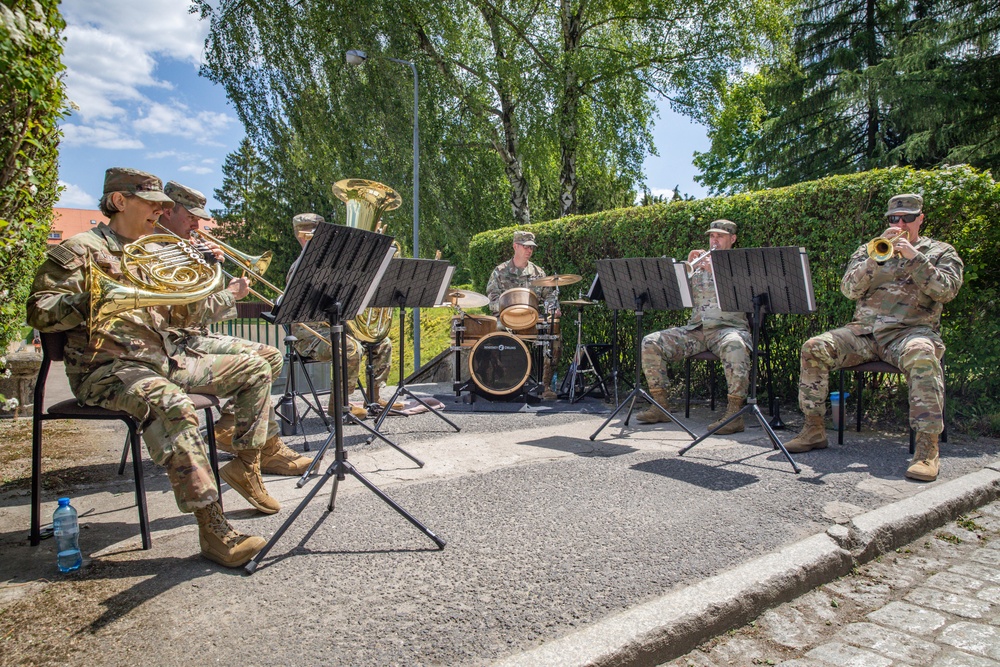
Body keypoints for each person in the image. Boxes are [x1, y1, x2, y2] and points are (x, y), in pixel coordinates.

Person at [26, 167, 281, 568]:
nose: (160, 213)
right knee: (174, 404)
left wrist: (221, 295)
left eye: (163, 206)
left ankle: (246, 465)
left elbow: (180, 317)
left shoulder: (155, 250)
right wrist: (94, 300)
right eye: (153, 204)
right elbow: (39, 312)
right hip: (107, 368)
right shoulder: (80, 249)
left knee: (256, 367)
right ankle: (214, 528)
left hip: (161, 359)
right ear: (119, 201)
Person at [784, 193, 964, 482]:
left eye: (907, 217)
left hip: (909, 333)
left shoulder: (941, 252)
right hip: (864, 333)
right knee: (814, 347)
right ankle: (814, 429)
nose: (901, 223)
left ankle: (927, 450)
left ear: (920, 218)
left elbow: (946, 291)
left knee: (922, 353)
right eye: (894, 218)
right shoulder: (870, 250)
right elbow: (849, 290)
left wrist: (915, 258)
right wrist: (874, 260)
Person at [158, 181, 310, 476]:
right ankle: (263, 448)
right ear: (167, 211)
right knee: (259, 364)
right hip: (176, 342)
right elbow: (181, 314)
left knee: (271, 355)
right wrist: (231, 294)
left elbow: (201, 306)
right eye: (190, 215)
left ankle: (231, 425)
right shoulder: (154, 251)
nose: (197, 223)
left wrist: (210, 268)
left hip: (197, 335)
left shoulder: (183, 247)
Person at [635, 220, 752, 434]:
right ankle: (660, 406)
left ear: (732, 239)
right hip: (697, 330)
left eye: (720, 236)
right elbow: (678, 296)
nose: (714, 241)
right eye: (711, 236)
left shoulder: (741, 266)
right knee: (651, 342)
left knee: (735, 345)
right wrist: (686, 270)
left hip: (728, 329)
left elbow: (745, 296)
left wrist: (717, 272)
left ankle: (735, 415)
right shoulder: (700, 265)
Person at [285, 213, 395, 419]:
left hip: (336, 327)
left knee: (382, 343)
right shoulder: (300, 268)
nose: (311, 237)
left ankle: (374, 398)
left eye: (317, 232)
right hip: (309, 334)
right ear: (299, 236)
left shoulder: (335, 266)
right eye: (307, 233)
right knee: (349, 348)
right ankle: (339, 406)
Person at [485, 230, 561, 399]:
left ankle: (545, 385)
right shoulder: (500, 272)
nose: (529, 251)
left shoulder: (538, 273)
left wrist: (552, 308)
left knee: (553, 333)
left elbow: (549, 295)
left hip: (531, 319)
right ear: (515, 246)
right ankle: (501, 382)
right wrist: (508, 308)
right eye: (525, 247)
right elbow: (492, 300)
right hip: (507, 319)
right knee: (494, 331)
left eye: (531, 248)